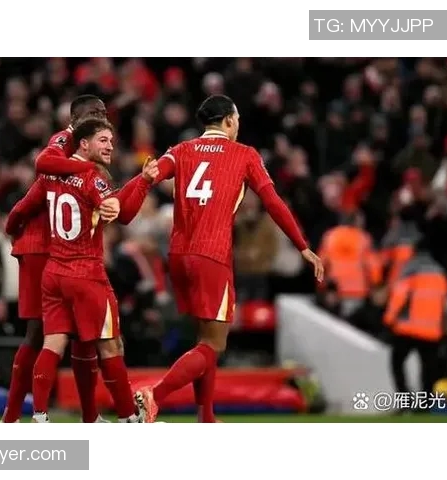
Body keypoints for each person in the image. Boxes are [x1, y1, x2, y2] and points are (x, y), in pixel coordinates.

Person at [134, 95, 324, 423]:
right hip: (212, 254)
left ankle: (206, 415)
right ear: (229, 121)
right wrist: (302, 245)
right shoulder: (245, 154)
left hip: (178, 255)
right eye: (237, 120)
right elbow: (273, 202)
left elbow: (150, 176)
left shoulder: (181, 150)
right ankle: (156, 395)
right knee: (214, 345)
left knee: (203, 338)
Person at [5, 118, 157, 423]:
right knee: (110, 345)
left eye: (111, 140)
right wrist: (144, 183)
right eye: (103, 140)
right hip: (86, 273)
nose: (110, 146)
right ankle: (129, 418)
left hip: (54, 272)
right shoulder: (91, 177)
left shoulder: (52, 173)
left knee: (52, 343)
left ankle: (39, 416)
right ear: (84, 143)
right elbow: (122, 212)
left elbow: (20, 209)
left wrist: (14, 233)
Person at [1, 95, 112, 423]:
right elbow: (43, 164)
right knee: (39, 332)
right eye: (98, 113)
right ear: (79, 119)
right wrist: (88, 168)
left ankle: (89, 416)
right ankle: (12, 417)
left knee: (81, 335)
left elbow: (26, 203)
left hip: (61, 251)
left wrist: (13, 224)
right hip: (43, 249)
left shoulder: (85, 153)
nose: (103, 119)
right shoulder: (66, 140)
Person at [383, 237, 447, 411]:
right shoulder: (441, 275)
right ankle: (425, 405)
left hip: (408, 329)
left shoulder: (411, 270)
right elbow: (445, 305)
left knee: (397, 363)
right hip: (432, 332)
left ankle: (405, 400)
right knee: (428, 369)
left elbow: (399, 297)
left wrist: (388, 320)